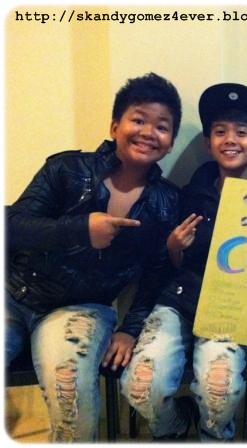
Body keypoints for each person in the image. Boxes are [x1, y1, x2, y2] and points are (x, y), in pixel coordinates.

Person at [5, 72, 182, 442]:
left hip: (81, 309)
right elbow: (13, 225)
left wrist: (129, 329)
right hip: (11, 293)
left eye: (161, 126)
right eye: (138, 120)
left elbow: (156, 273)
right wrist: (79, 229)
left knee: (73, 407)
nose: (148, 132)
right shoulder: (66, 169)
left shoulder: (167, 201)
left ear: (170, 143)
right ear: (115, 126)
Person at [120, 82, 247, 441]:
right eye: (220, 131)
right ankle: (174, 426)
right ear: (208, 142)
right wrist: (173, 247)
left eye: (241, 132)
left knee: (219, 391)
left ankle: (214, 435)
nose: (230, 139)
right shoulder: (186, 195)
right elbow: (168, 265)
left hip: (234, 309)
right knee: (141, 385)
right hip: (180, 302)